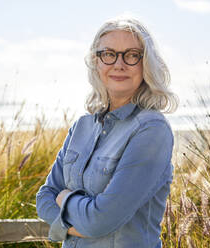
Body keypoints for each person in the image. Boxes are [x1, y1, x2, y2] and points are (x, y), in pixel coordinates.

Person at [36, 15, 178, 248]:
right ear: (96, 61)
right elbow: (44, 198)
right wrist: (76, 227)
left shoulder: (152, 130)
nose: (118, 64)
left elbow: (100, 221)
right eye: (109, 54)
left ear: (146, 63)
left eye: (132, 55)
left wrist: (65, 200)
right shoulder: (81, 127)